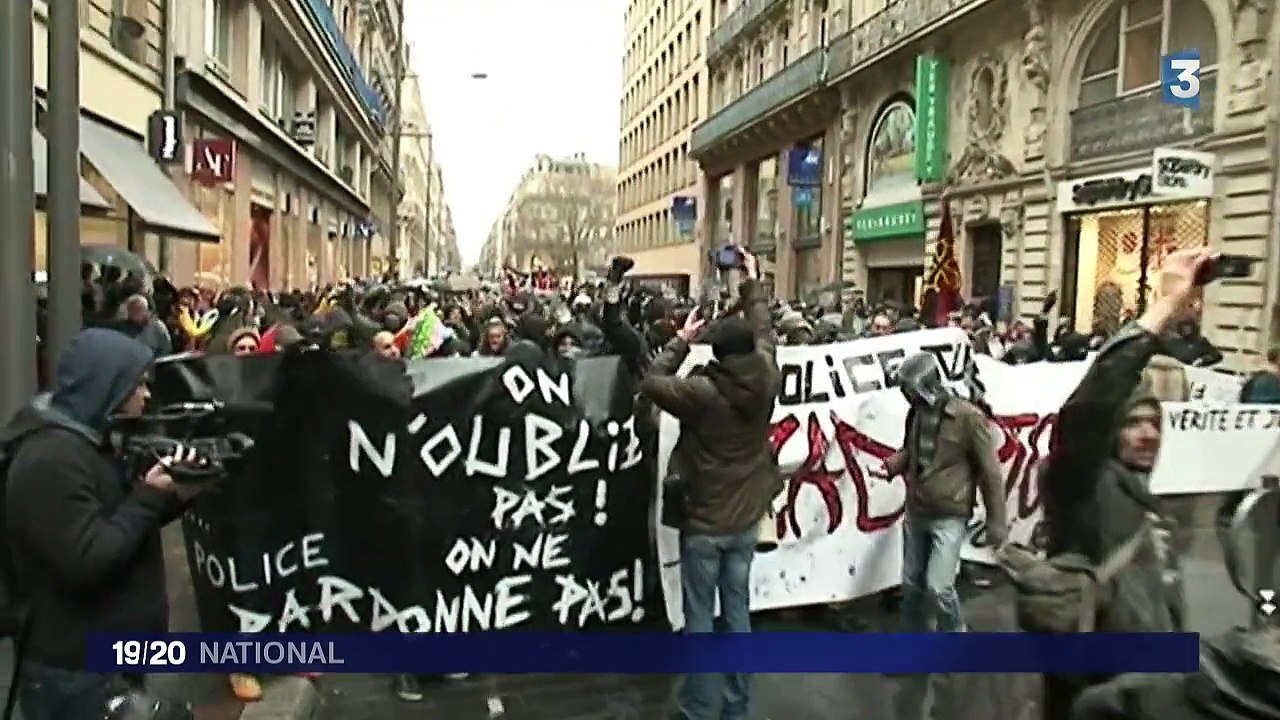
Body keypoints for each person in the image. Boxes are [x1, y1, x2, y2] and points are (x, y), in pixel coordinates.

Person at [1038, 249, 1210, 720]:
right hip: (1095, 693)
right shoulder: (1082, 484)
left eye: (1155, 423)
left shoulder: (1149, 504)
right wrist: (1165, 305)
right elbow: (1093, 401)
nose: (1148, 434)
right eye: (1133, 422)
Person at [2, 328, 204, 719]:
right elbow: (88, 558)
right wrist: (149, 496)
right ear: (107, 386)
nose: (146, 396)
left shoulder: (90, 443)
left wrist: (177, 497)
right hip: (76, 670)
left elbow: (119, 521)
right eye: (138, 385)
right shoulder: (49, 461)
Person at [637, 251, 779, 720]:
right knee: (737, 616)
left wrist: (679, 340)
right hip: (744, 522)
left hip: (705, 523)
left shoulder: (702, 393)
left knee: (700, 620)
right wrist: (752, 285)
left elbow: (652, 381)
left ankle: (699, 707)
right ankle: (737, 708)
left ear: (716, 353)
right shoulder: (766, 377)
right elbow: (765, 333)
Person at [874, 349, 1006, 720]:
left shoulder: (968, 418)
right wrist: (893, 465)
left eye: (910, 388)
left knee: (939, 586)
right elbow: (911, 450)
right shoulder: (916, 414)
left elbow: (990, 472)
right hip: (918, 509)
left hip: (950, 513)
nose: (907, 396)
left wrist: (997, 522)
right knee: (912, 587)